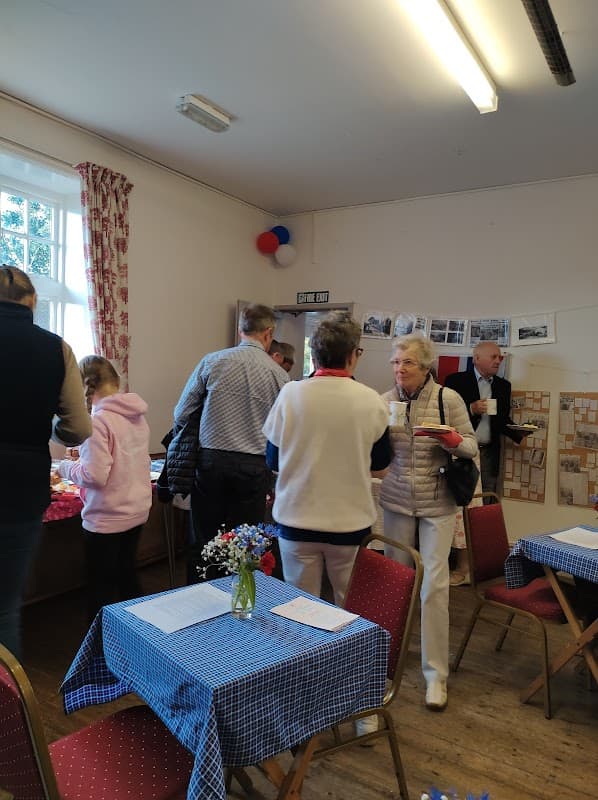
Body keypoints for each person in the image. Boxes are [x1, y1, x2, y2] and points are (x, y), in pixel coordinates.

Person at [263, 313, 391, 608]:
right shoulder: (371, 400)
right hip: (349, 524)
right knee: (349, 608)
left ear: (315, 355)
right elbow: (381, 466)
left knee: (300, 606)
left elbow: (273, 460)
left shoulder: (291, 394)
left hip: (296, 520)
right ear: (351, 355)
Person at [379, 334, 477, 712]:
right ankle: (384, 666)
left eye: (408, 364)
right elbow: (374, 449)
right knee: (394, 584)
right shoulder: (383, 401)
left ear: (426, 368)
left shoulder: (447, 399)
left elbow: (469, 446)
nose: (400, 370)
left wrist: (451, 439)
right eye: (396, 362)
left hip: (438, 502)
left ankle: (436, 676)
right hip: (397, 500)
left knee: (434, 586)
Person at [0, 265, 91, 657]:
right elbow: (77, 428)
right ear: (32, 301)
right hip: (20, 485)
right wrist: (45, 427)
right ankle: (9, 712)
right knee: (4, 610)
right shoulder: (56, 348)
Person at [172, 303, 288, 581]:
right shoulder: (279, 375)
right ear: (268, 332)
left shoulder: (213, 361)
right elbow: (283, 429)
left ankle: (197, 602)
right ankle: (236, 604)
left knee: (204, 539)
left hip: (211, 461)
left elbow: (181, 413)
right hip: (253, 465)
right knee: (244, 543)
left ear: (241, 330)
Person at [57, 356, 152, 623]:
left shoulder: (97, 422)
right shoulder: (136, 416)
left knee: (101, 589)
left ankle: (99, 647)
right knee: (127, 577)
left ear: (84, 385)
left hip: (107, 517)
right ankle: (140, 636)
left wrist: (64, 468)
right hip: (136, 509)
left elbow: (95, 476)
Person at [444, 341, 528, 499]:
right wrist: (471, 409)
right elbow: (445, 416)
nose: (498, 361)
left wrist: (519, 435)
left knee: (487, 496)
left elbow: (502, 419)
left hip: (489, 453)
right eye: (493, 357)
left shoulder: (504, 386)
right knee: (461, 498)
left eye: (500, 358)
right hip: (461, 452)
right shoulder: (455, 381)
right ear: (476, 358)